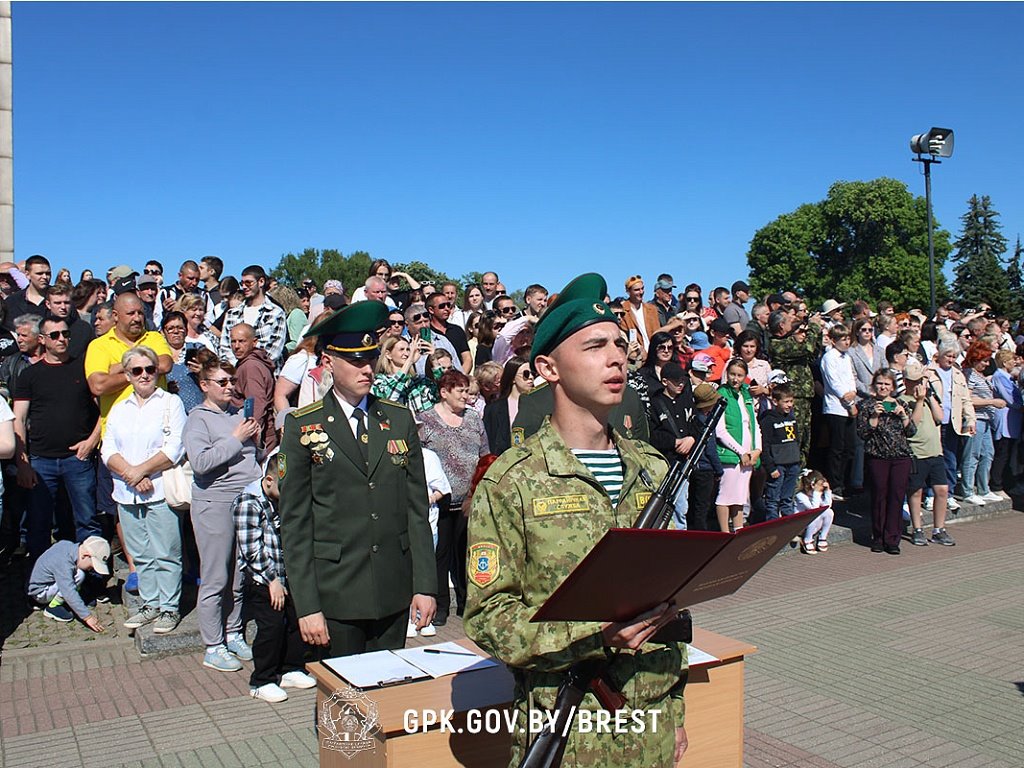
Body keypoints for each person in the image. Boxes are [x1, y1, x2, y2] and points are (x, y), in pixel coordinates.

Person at [464, 272, 688, 767]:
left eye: (620, 344)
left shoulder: (652, 469)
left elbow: (671, 606)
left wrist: (675, 709)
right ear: (548, 367)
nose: (617, 357)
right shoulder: (512, 480)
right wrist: (593, 632)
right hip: (569, 731)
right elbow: (486, 619)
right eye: (594, 346)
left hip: (649, 723)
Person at [278, 301, 437, 657]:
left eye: (369, 359)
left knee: (390, 696)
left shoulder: (397, 419)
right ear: (329, 362)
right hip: (336, 593)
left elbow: (416, 510)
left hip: (393, 589)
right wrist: (307, 606)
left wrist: (425, 586)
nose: (366, 369)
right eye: (355, 360)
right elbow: (295, 523)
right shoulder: (303, 425)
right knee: (343, 704)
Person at [183, 357, 262, 672]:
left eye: (232, 381)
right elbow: (201, 462)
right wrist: (236, 439)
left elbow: (249, 457)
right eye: (222, 382)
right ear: (204, 385)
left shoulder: (236, 415)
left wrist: (253, 442)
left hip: (244, 501)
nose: (230, 387)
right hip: (214, 503)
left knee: (238, 576)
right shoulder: (197, 420)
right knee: (216, 576)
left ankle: (233, 631)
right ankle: (212, 644)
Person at [101, 347, 186, 635]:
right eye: (137, 371)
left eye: (149, 368)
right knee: (140, 553)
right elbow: (108, 449)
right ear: (127, 375)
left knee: (166, 551)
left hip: (159, 489)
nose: (145, 375)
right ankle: (150, 603)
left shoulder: (170, 403)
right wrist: (132, 474)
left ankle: (169, 607)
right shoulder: (119, 408)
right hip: (127, 492)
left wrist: (143, 471)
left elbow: (174, 448)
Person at [13, 315, 103, 561]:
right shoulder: (29, 375)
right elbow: (19, 419)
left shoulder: (83, 368)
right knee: (39, 524)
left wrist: (92, 440)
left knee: (87, 521)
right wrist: (23, 462)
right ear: (42, 339)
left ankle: (92, 579)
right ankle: (41, 584)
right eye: (55, 335)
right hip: (41, 461)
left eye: (65, 334)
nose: (62, 339)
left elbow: (103, 410)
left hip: (78, 459)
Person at [233, 450, 316, 702]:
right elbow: (251, 549)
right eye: (284, 488)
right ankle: (262, 679)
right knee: (270, 628)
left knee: (293, 623)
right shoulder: (248, 502)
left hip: (287, 573)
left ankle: (291, 668)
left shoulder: (283, 499)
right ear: (269, 480)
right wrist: (273, 581)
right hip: (264, 580)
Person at [419, 369, 489, 627]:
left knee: (466, 553)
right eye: (459, 390)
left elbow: (485, 455)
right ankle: (439, 606)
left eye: (466, 389)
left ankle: (466, 602)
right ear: (444, 392)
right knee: (440, 553)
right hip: (439, 499)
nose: (465, 395)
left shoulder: (473, 418)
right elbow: (418, 459)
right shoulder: (425, 420)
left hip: (469, 498)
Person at [856, 369, 917, 554]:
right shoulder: (866, 406)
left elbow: (912, 432)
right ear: (875, 385)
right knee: (879, 496)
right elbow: (863, 434)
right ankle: (878, 537)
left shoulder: (901, 404)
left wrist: (903, 415)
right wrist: (874, 417)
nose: (883, 387)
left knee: (896, 497)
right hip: (878, 457)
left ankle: (892, 539)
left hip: (900, 457)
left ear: (892, 387)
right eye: (880, 383)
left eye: (887, 384)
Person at [902, 359, 956, 547]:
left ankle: (939, 529)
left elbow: (940, 417)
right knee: (915, 491)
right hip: (917, 452)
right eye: (914, 381)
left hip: (935, 451)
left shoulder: (928, 398)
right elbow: (912, 425)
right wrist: (918, 401)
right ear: (905, 380)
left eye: (921, 380)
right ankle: (917, 528)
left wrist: (930, 396)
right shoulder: (903, 400)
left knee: (942, 490)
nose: (918, 384)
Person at [927, 338, 976, 513]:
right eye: (948, 355)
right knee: (932, 459)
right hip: (934, 423)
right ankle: (931, 494)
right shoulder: (929, 372)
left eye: (954, 356)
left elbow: (965, 400)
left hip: (952, 423)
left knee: (950, 459)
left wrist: (970, 420)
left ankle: (949, 494)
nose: (951, 359)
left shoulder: (958, 374)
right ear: (940, 355)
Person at [647, 361, 695, 528]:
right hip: (665, 461)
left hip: (685, 461)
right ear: (665, 381)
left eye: (682, 380)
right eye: (676, 381)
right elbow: (652, 435)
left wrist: (691, 439)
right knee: (666, 506)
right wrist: (675, 442)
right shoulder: (655, 402)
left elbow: (696, 426)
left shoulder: (687, 400)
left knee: (682, 505)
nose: (681, 384)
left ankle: (681, 534)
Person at [26, 535, 109, 630]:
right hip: (40, 592)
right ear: (85, 555)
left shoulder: (68, 546)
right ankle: (53, 607)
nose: (91, 569)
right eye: (91, 566)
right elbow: (68, 591)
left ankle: (62, 600)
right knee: (79, 575)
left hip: (41, 583)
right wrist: (87, 617)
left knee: (78, 574)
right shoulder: (64, 563)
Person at [958, 340, 1005, 505]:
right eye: (984, 361)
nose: (986, 364)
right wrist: (992, 402)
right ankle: (968, 490)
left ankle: (984, 489)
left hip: (986, 421)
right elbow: (967, 398)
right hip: (976, 420)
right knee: (972, 455)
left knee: (987, 454)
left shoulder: (980, 375)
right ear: (975, 359)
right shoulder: (969, 374)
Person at [218, 265, 287, 369]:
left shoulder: (276, 313)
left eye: (248, 283)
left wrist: (251, 367)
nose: (244, 287)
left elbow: (274, 351)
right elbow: (225, 347)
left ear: (261, 282)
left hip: (265, 375)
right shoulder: (232, 314)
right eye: (242, 283)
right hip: (236, 375)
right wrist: (239, 368)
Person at [819, 324, 859, 499]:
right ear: (834, 341)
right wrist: (847, 398)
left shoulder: (846, 357)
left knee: (849, 448)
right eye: (843, 339)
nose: (847, 342)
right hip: (835, 407)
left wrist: (853, 394)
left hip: (849, 405)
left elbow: (850, 378)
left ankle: (844, 481)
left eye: (848, 339)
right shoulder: (829, 357)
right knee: (837, 448)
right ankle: (835, 484)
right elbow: (834, 382)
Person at [230, 323, 277, 450]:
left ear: (254, 342)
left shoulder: (250, 367)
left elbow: (256, 404)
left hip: (258, 437)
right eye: (233, 341)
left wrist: (252, 438)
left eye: (242, 341)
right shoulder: (248, 363)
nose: (237, 346)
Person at [759, 383, 801, 521]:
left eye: (791, 401)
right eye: (786, 401)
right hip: (778, 466)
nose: (790, 405)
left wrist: (797, 458)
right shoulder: (768, 419)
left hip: (792, 463)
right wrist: (771, 467)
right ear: (775, 401)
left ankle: (788, 527)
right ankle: (772, 526)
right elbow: (765, 445)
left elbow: (796, 439)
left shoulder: (791, 418)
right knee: (773, 499)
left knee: (787, 498)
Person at [371, 335, 438, 414]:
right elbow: (390, 398)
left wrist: (434, 360)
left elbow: (443, 393)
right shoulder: (379, 382)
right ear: (388, 354)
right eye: (401, 349)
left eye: (408, 349)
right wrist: (410, 361)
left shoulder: (419, 382)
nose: (406, 353)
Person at [483, 356, 535, 455]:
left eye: (533, 373)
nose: (531, 377)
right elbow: (490, 441)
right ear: (512, 378)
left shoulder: (538, 404)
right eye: (526, 374)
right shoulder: (493, 409)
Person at [990, 350, 1022, 495]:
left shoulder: (1008, 377)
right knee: (1002, 453)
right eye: (1011, 360)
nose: (1014, 362)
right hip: (1005, 419)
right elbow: (1009, 397)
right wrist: (1021, 406)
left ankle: (1008, 483)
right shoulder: (999, 376)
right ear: (1004, 362)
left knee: (1010, 454)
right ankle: (996, 485)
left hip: (1014, 420)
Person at [44, 282, 94, 359]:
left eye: (67, 303)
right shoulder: (41, 327)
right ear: (48, 304)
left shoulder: (84, 329)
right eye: (58, 303)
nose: (63, 307)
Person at [2, 254, 50, 331]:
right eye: (39, 273)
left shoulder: (60, 300)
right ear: (27, 275)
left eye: (48, 273)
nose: (44, 277)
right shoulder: (12, 302)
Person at [795, 470, 834, 555]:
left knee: (829, 512)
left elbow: (827, 506)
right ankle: (807, 540)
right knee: (814, 515)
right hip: (800, 527)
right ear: (812, 485)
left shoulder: (816, 495)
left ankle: (822, 537)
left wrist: (827, 491)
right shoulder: (801, 496)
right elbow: (814, 509)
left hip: (812, 526)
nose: (821, 489)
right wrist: (816, 492)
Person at [620, 275, 661, 353]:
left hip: (653, 354)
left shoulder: (652, 309)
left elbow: (657, 332)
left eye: (642, 288)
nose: (641, 292)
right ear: (628, 291)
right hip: (636, 356)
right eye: (637, 290)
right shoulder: (623, 310)